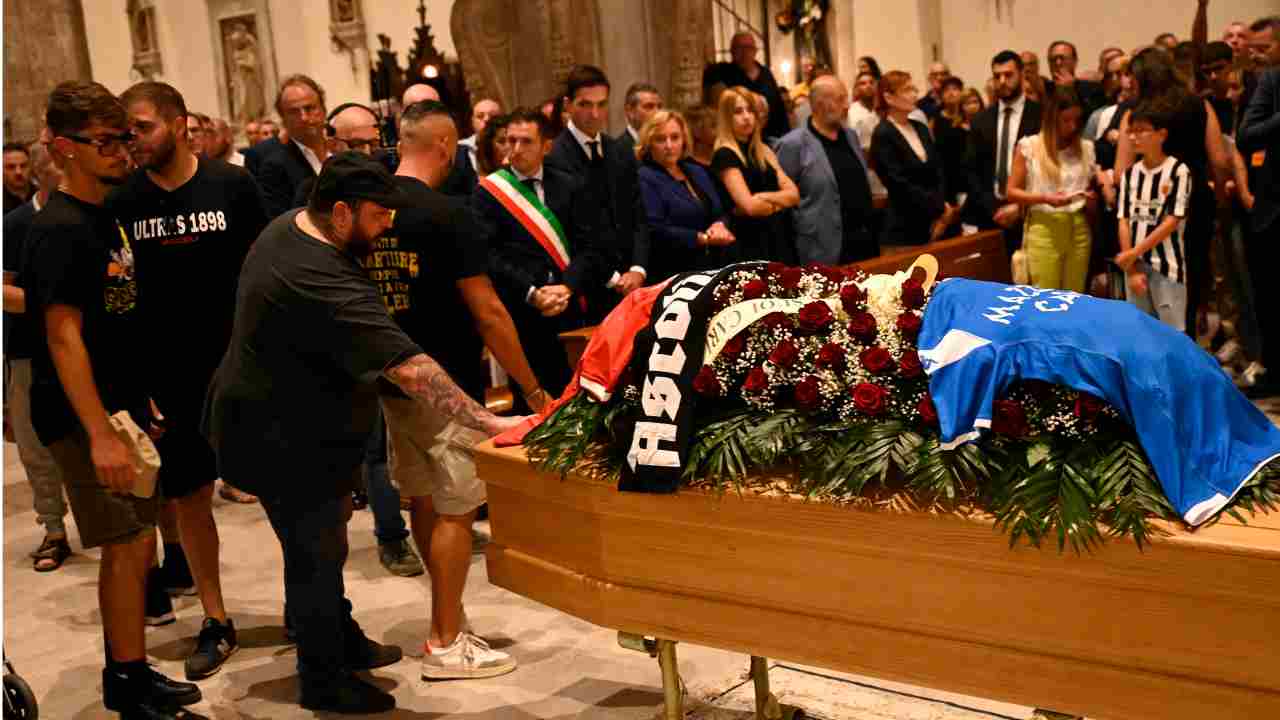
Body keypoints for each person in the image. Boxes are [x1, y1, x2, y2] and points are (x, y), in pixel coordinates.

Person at [203, 152, 524, 713]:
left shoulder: (293, 227)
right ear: (343, 212)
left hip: (302, 426)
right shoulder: (316, 272)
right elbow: (410, 368)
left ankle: (339, 636)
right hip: (279, 434)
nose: (387, 227)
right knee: (313, 552)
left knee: (320, 542)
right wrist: (493, 421)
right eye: (378, 216)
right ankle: (323, 677)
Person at [22, 80, 202, 719]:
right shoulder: (58, 229)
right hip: (82, 415)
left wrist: (141, 400)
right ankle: (126, 683)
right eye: (104, 141)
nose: (121, 151)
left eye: (124, 137)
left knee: (138, 545)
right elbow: (64, 337)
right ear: (64, 147)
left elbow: (118, 319)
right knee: (124, 544)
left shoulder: (106, 212)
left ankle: (130, 667)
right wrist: (98, 432)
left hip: (122, 406)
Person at [380, 100, 549, 678]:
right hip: (448, 382)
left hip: (393, 379)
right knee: (457, 508)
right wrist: (531, 389)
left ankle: (445, 614)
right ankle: (446, 641)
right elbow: (489, 311)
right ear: (448, 146)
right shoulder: (447, 213)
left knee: (424, 500)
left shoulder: (370, 207)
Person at [112, 81, 270, 678]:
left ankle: (316, 608)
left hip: (240, 365)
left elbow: (265, 268)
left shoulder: (231, 185)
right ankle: (215, 617)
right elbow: (121, 295)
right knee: (189, 499)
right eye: (127, 130)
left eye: (143, 127)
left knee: (281, 489)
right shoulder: (124, 200)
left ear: (180, 124)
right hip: (170, 376)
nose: (134, 140)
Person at [473, 108, 610, 398]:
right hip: (523, 313)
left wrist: (567, 287)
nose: (516, 150)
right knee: (532, 407)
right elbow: (490, 257)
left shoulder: (571, 184)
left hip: (569, 310)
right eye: (510, 141)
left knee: (579, 396)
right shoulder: (489, 193)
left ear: (546, 146)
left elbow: (590, 247)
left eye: (526, 142)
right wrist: (533, 292)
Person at [1113, 47, 1232, 339]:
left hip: (1146, 214)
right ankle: (1187, 355)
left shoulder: (1136, 115)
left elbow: (1120, 172)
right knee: (1186, 291)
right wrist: (1218, 202)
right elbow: (1219, 160)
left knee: (1147, 299)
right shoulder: (1199, 105)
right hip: (1194, 207)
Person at [4, 140, 71, 572]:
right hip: (29, 347)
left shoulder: (81, 217)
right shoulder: (15, 224)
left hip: (81, 346)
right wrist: (49, 302)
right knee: (34, 446)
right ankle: (54, 529)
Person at [547, 65, 650, 318]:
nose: (594, 114)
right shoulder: (554, 156)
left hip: (633, 281)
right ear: (568, 105)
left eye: (602, 104)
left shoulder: (618, 150)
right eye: (585, 104)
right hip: (587, 287)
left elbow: (637, 215)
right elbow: (571, 231)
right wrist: (613, 278)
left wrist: (638, 268)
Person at [776, 76, 877, 263]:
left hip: (863, 243)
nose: (846, 105)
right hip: (823, 250)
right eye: (840, 99)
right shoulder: (793, 144)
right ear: (819, 103)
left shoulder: (850, 136)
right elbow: (782, 208)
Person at [1006, 85, 1097, 292]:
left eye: (1077, 120)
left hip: (1079, 226)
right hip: (1043, 227)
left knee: (1075, 296)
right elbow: (1011, 191)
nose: (1072, 126)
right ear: (1051, 118)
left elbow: (1089, 186)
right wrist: (1045, 198)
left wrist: (1092, 198)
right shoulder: (1030, 146)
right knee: (1045, 295)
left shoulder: (1086, 148)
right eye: (1066, 120)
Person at [1115, 106, 1193, 332]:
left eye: (1141, 131)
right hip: (1135, 268)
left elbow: (1172, 221)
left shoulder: (1178, 170)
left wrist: (1133, 253)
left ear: (1162, 134)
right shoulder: (1131, 174)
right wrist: (1131, 269)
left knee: (1172, 333)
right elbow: (1123, 220)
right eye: (1131, 131)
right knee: (1139, 332)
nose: (1134, 136)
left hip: (1167, 266)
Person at [637, 109, 736, 281]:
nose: (669, 145)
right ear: (649, 143)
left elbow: (720, 211)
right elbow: (656, 228)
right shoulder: (644, 176)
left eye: (675, 137)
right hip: (672, 269)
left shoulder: (695, 170)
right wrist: (702, 239)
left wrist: (719, 225)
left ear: (684, 140)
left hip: (711, 264)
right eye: (661, 139)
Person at [965, 50, 1044, 255]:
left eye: (1008, 75)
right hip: (990, 216)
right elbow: (972, 171)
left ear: (1021, 75)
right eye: (997, 75)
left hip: (1031, 214)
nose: (1002, 81)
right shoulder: (981, 120)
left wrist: (1020, 207)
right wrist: (993, 209)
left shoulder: (1041, 114)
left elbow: (1046, 168)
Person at [870, 71, 959, 250]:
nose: (914, 94)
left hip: (935, 220)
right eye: (907, 90)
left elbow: (938, 170)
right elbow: (898, 183)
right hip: (904, 227)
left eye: (914, 89)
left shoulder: (920, 128)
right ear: (888, 97)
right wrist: (939, 207)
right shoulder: (883, 134)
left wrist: (942, 208)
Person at [710, 86, 800, 263]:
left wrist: (763, 197)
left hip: (779, 236)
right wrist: (780, 203)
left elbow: (794, 194)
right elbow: (750, 207)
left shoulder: (763, 150)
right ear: (727, 118)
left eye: (750, 110)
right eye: (738, 111)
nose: (746, 116)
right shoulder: (725, 154)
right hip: (750, 242)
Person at [1238, 38, 1280, 397]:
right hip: (1275, 209)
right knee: (1270, 295)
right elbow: (1246, 136)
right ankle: (1275, 370)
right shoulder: (1272, 81)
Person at [258, 74, 329, 217]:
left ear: (323, 110)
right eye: (293, 112)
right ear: (283, 119)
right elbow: (282, 222)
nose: (303, 117)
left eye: (309, 108)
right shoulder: (274, 167)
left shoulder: (342, 150)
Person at [702, 32, 791, 140]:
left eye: (748, 48)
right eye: (739, 48)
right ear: (732, 51)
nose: (744, 52)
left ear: (755, 51)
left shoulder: (765, 74)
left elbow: (779, 108)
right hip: (740, 137)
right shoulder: (723, 72)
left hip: (770, 136)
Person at [1043, 40, 1108, 117]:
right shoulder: (1044, 90)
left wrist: (1073, 89)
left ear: (1075, 61)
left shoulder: (1093, 89)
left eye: (1062, 58)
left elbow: (1094, 117)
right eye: (1053, 59)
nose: (1058, 63)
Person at [934, 76, 970, 204]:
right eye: (946, 90)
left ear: (961, 92)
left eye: (955, 89)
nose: (951, 93)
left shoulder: (968, 117)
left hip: (966, 177)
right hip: (944, 177)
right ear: (941, 95)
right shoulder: (934, 120)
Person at [457, 97, 502, 172]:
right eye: (480, 116)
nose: (487, 120)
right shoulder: (459, 149)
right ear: (472, 121)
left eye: (493, 116)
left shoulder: (510, 147)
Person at [618, 82, 663, 148]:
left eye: (659, 106)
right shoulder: (615, 151)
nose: (658, 112)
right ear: (630, 111)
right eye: (649, 106)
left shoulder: (665, 147)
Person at [848, 71, 881, 148]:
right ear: (857, 88)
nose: (868, 86)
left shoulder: (881, 111)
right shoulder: (852, 113)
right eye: (863, 83)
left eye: (871, 82)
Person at [3, 142, 35, 213]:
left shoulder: (41, 196)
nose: (18, 172)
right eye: (11, 167)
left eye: (23, 166)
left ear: (30, 166)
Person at [684, 104, 718, 169]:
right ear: (697, 132)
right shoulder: (689, 166)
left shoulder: (720, 159)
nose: (720, 131)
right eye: (713, 126)